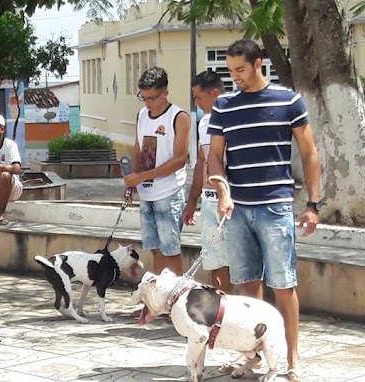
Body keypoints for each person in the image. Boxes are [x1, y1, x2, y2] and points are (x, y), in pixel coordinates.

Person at [208, 39, 320, 382]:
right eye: (229, 71)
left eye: (239, 70)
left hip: (275, 206)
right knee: (247, 287)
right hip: (237, 210)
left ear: (259, 64)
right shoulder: (224, 106)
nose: (234, 77)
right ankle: (254, 354)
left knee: (284, 285)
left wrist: (313, 204)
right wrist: (222, 190)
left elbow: (310, 153)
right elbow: (214, 156)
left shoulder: (289, 101)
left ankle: (292, 357)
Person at [124, 67, 190, 276]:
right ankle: (158, 300)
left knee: (170, 249)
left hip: (168, 192)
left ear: (165, 93)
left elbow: (179, 160)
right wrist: (133, 181)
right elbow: (138, 147)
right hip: (146, 192)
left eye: (152, 98)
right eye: (143, 97)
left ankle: (175, 300)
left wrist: (141, 177)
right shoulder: (142, 114)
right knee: (154, 248)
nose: (147, 103)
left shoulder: (179, 117)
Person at [183, 71, 232, 293]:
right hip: (209, 201)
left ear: (214, 93)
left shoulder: (234, 118)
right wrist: (192, 201)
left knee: (237, 262)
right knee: (214, 261)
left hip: (231, 204)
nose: (196, 103)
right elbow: (202, 162)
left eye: (198, 97)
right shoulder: (203, 123)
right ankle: (219, 312)